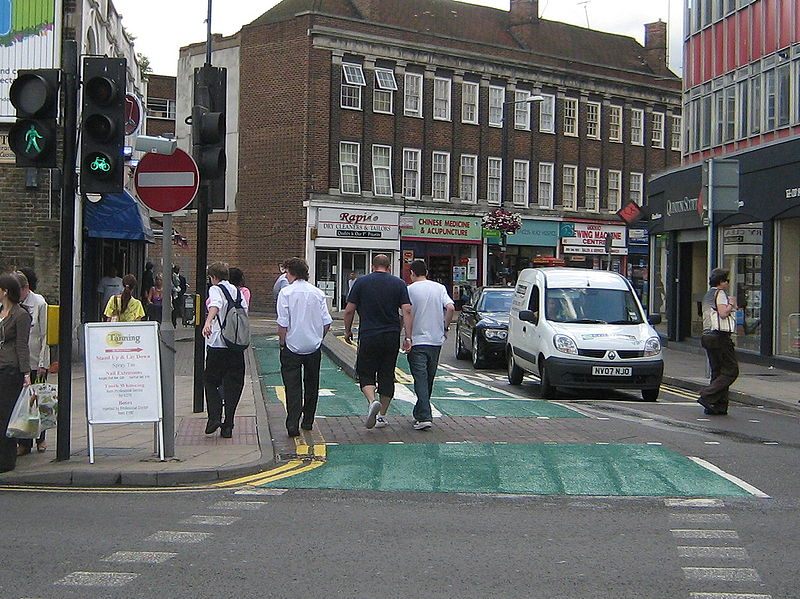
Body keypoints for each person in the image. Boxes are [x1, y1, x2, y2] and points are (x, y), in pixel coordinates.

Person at [343, 254, 412, 429]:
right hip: (391, 336)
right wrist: (408, 336)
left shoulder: (361, 282)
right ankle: (382, 416)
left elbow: (349, 310)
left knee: (365, 373)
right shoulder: (399, 284)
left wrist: (347, 330)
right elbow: (407, 310)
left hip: (368, 335)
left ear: (372, 267)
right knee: (387, 375)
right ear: (389, 267)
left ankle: (372, 400)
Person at [277, 257, 332, 436]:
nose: (285, 275)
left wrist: (282, 342)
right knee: (311, 384)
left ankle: (292, 423)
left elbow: (283, 323)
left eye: (286, 272)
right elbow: (326, 322)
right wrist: (318, 338)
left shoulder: (285, 293)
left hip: (292, 346)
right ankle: (308, 421)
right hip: (313, 347)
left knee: (292, 387)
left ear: (291, 272)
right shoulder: (317, 293)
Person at [406, 260, 455, 431]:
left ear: (412, 273)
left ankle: (425, 416)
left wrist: (406, 336)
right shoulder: (439, 288)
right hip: (435, 340)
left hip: (417, 341)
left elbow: (406, 313)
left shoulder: (409, 290)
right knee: (429, 378)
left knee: (420, 378)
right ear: (426, 271)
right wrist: (445, 327)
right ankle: (420, 412)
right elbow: (450, 307)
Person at [203, 262, 249, 439]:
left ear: (213, 277)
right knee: (233, 385)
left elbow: (215, 304)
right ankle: (228, 424)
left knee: (210, 380)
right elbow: (244, 312)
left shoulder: (216, 289)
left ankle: (214, 417)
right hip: (236, 345)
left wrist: (208, 322)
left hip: (218, 344)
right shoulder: (238, 291)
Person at [14, 270, 50, 456]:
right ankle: (24, 443)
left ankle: (41, 439)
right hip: (20, 362)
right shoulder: (13, 305)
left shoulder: (40, 304)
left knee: (39, 402)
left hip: (37, 361)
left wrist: (44, 362)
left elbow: (45, 335)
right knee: (23, 405)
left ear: (26, 288)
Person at [0, 273, 32, 473]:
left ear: (5, 292)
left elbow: (22, 346)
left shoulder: (21, 315)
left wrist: (26, 374)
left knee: (6, 416)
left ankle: (6, 460)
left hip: (11, 371)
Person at [698, 267, 739, 416]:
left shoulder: (708, 295)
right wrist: (731, 304)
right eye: (726, 280)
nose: (728, 283)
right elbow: (723, 314)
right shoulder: (720, 293)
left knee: (718, 372)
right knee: (731, 370)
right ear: (720, 282)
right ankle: (707, 395)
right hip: (719, 337)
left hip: (707, 336)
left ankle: (717, 405)